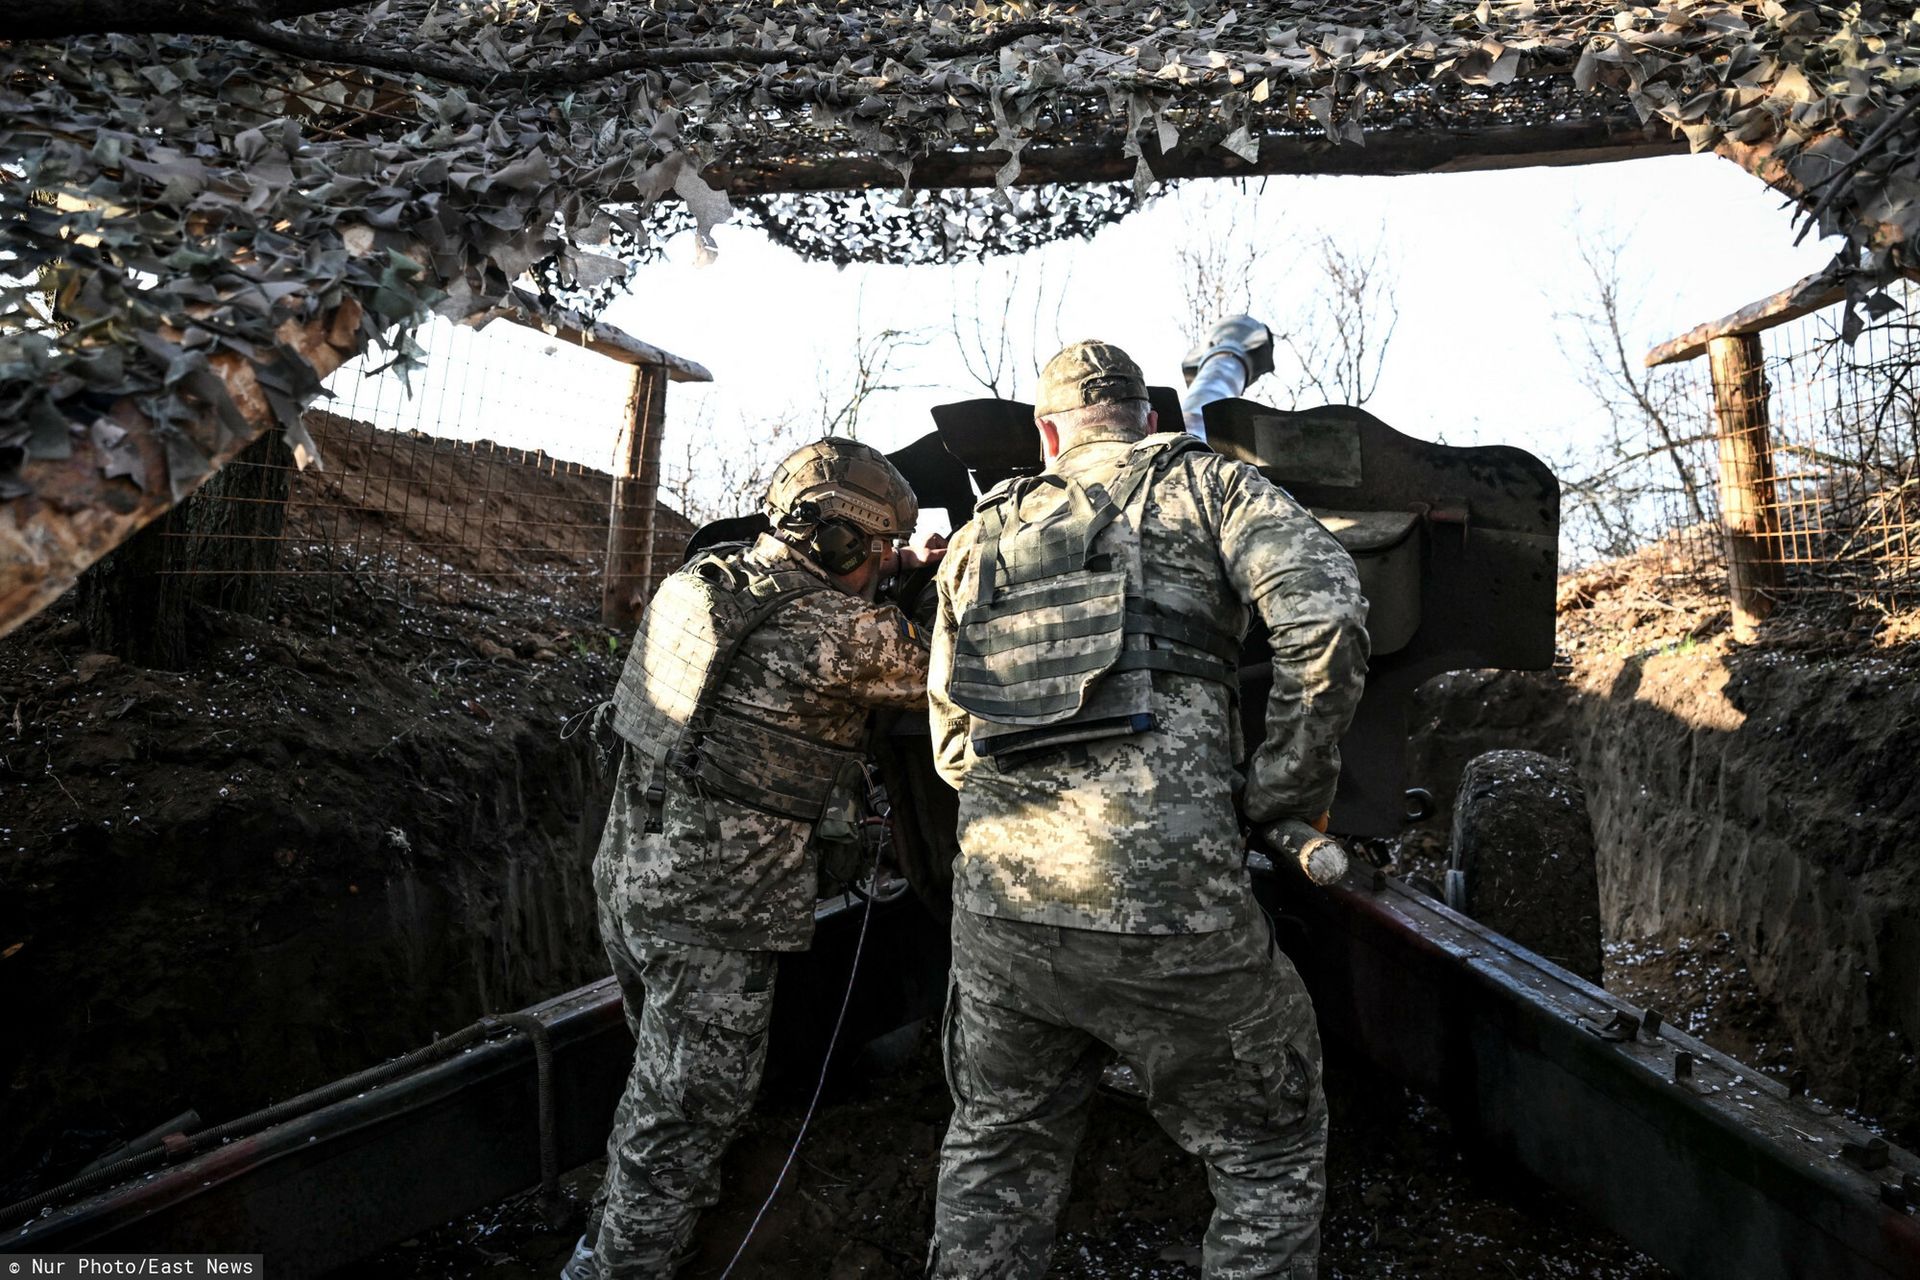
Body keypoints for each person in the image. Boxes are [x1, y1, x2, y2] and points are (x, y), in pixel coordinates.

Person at [925, 341, 1370, 1279]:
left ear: (1049, 432)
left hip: (1002, 918)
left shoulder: (977, 536)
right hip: (1173, 918)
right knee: (1265, 1150)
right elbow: (1326, 613)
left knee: (999, 1147)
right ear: (1151, 417)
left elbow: (953, 745)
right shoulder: (1207, 487)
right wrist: (1283, 787)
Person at [567, 437, 942, 1280]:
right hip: (716, 913)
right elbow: (952, 668)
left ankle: (627, 1224)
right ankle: (618, 1264)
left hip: (629, 878)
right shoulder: (840, 633)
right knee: (689, 1114)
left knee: (660, 1083)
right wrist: (937, 582)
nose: (880, 568)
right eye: (872, 550)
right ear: (834, 542)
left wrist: (895, 565)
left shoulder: (697, 582)